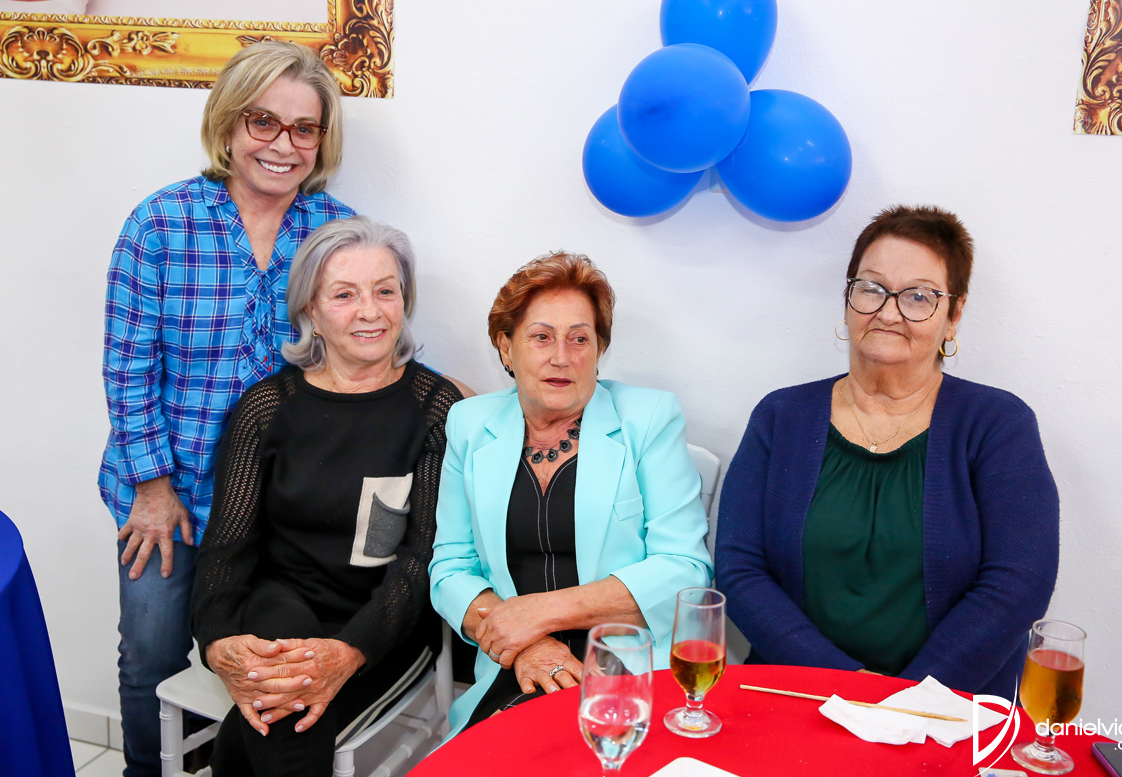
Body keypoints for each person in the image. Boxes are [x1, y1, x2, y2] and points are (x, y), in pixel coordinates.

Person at [99, 41, 352, 776]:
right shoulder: (161, 223)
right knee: (151, 656)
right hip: (166, 496)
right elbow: (128, 367)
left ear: (322, 141)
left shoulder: (336, 234)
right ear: (229, 123)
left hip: (277, 507)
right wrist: (153, 490)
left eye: (303, 129)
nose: (282, 145)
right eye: (263, 121)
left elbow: (358, 354)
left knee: (260, 663)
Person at [715, 205, 1060, 700]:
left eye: (919, 296)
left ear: (954, 314)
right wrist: (841, 684)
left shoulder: (998, 424)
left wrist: (910, 698)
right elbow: (740, 567)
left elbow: (1018, 584)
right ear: (848, 298)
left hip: (948, 709)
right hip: (794, 695)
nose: (889, 311)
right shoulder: (781, 416)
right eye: (872, 288)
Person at [190, 216, 463, 776]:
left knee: (271, 722)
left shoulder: (435, 409)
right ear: (310, 311)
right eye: (344, 295)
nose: (370, 311)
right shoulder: (266, 408)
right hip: (279, 606)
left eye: (385, 291)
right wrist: (217, 644)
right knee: (286, 703)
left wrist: (349, 651)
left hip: (384, 620)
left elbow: (420, 561)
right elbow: (226, 549)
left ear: (404, 302)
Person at [429, 251, 713, 734]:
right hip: (515, 662)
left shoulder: (648, 419)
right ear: (505, 347)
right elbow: (450, 567)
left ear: (599, 349)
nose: (562, 357)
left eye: (580, 338)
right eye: (541, 337)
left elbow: (686, 570)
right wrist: (526, 642)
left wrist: (540, 613)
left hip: (625, 664)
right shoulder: (470, 424)